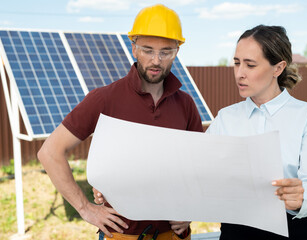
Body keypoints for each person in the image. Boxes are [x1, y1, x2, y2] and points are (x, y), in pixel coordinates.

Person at [37, 4, 203, 240]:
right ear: (134, 48)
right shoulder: (104, 99)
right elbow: (49, 152)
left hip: (175, 235)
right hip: (123, 235)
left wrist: (191, 210)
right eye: (147, 50)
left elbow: (200, 169)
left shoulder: (185, 104)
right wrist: (86, 209)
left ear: (177, 51)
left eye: (166, 51)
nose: (156, 60)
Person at [206, 25, 307, 239]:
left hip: (294, 230)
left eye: (250, 65)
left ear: (278, 68)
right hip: (236, 232)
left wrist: (301, 197)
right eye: (236, 63)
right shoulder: (225, 118)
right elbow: (200, 175)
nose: (239, 73)